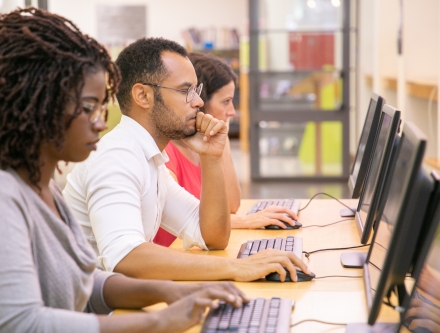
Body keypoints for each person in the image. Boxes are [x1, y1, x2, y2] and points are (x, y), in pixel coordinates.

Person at [0, 8, 248, 333]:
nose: (100, 122)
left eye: (101, 107)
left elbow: (84, 283)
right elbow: (23, 323)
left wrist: (171, 291)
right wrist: (159, 318)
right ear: (42, 106)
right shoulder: (9, 197)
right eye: (89, 108)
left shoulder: (44, 189)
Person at [63, 37, 311, 281]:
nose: (199, 102)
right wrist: (236, 267)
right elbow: (125, 257)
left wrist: (211, 158)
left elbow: (212, 235)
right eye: (185, 91)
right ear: (143, 96)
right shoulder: (117, 157)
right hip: (96, 314)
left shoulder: (150, 160)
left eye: (196, 91)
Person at [153, 52, 300, 247]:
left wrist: (223, 140)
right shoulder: (167, 156)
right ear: (201, 104)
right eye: (225, 101)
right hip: (178, 258)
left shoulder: (199, 150)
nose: (231, 111)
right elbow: (192, 223)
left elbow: (231, 205)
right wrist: (248, 221)